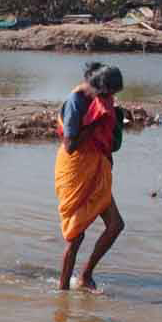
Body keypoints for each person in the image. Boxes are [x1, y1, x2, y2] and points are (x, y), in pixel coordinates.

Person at [55, 62, 127, 291]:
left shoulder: (103, 102)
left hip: (96, 169)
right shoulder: (76, 102)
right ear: (99, 88)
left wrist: (113, 124)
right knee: (76, 236)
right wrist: (96, 124)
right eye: (110, 94)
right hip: (75, 170)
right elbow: (69, 145)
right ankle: (63, 290)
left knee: (115, 225)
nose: (111, 99)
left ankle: (85, 275)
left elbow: (112, 143)